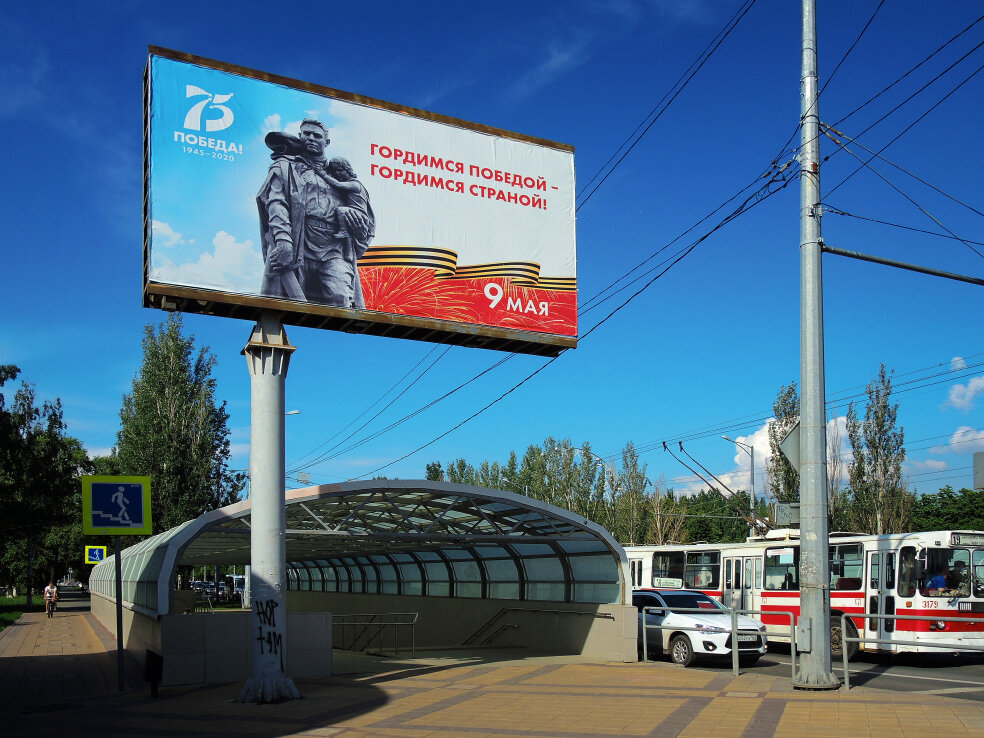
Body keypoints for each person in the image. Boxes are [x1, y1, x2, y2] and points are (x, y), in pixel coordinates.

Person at [257, 120, 375, 308]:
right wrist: (283, 241)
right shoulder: (285, 167)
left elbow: (363, 218)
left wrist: (359, 225)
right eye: (306, 134)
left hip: (333, 247)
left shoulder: (339, 174)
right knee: (285, 303)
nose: (311, 138)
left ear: (326, 142)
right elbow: (276, 203)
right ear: (300, 137)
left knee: (341, 297)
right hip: (299, 243)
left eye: (317, 136)